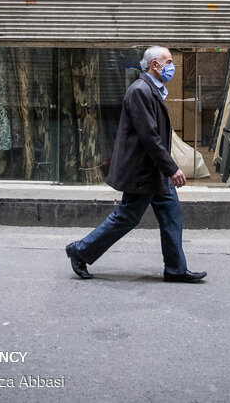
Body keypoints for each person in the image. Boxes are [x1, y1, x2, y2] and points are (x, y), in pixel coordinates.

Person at [65, 46, 207, 283]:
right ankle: (79, 251)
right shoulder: (140, 91)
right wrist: (172, 168)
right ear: (155, 65)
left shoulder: (151, 90)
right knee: (126, 217)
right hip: (142, 172)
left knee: (171, 215)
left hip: (154, 171)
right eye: (169, 61)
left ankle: (176, 269)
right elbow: (149, 136)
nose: (172, 66)